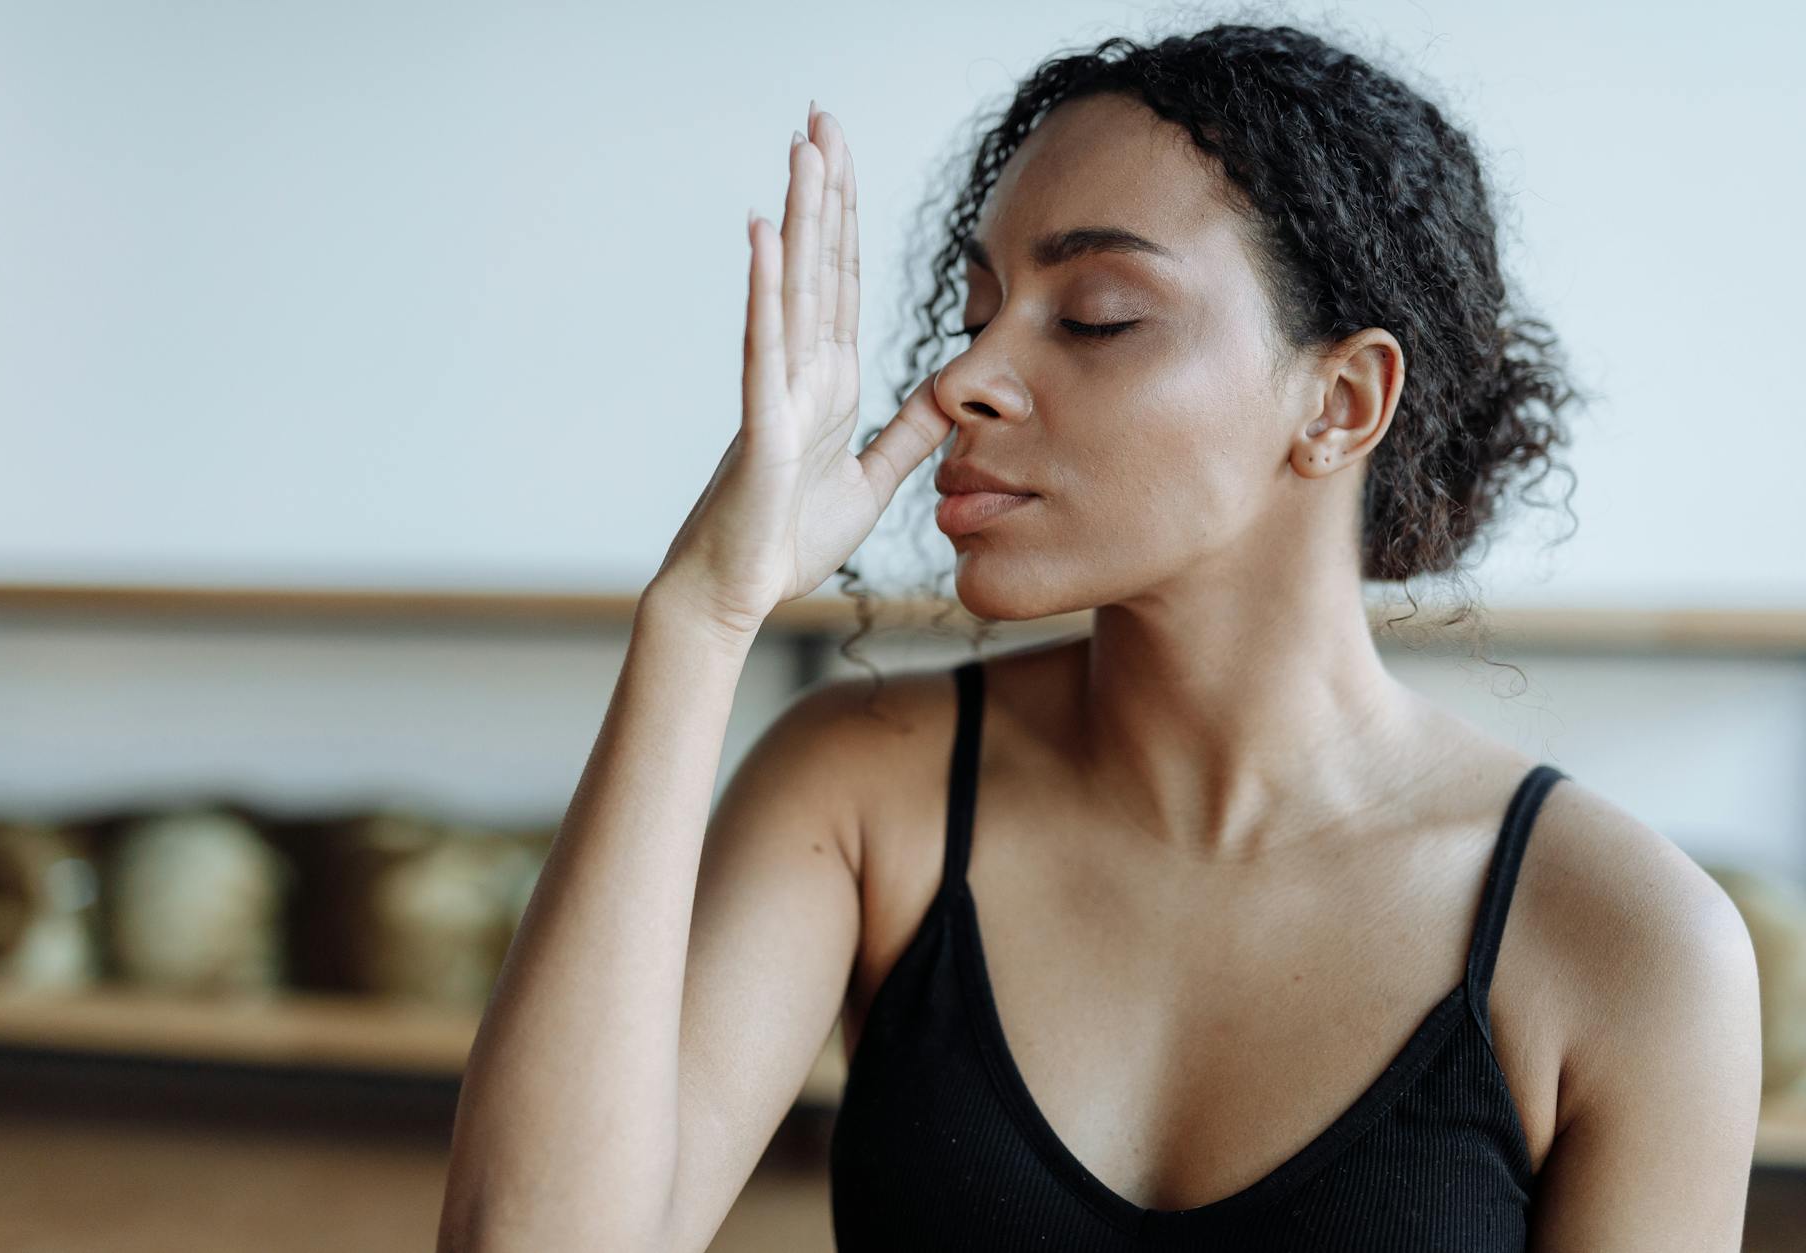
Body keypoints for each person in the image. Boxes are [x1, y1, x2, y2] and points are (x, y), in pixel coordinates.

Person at [437, 21, 1763, 1253]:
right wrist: (701, 613)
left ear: (1342, 400)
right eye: (976, 311)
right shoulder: (859, 796)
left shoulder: (1628, 942)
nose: (962, 379)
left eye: (1096, 317)